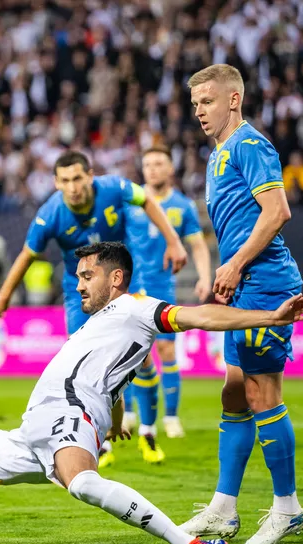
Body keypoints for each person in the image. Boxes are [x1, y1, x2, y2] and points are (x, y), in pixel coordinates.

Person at [0, 242, 303, 544]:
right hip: (34, 430)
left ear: (115, 280)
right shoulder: (103, 325)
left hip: (66, 417)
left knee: (83, 484)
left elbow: (200, 317)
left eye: (87, 275)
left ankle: (187, 543)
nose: (79, 283)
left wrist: (268, 316)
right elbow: (113, 384)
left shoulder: (136, 307)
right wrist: (111, 424)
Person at [180, 64, 303, 544]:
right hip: (243, 283)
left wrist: (232, 267)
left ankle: (286, 508)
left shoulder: (250, 146)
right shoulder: (219, 156)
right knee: (234, 393)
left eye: (207, 102)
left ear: (233, 100)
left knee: (261, 394)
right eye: (195, 105)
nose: (199, 113)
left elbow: (278, 211)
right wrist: (229, 269)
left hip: (265, 284)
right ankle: (223, 508)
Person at [0, 150, 188, 335]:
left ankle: (147, 371)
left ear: (90, 176)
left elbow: (146, 199)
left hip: (123, 278)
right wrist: (4, 296)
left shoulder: (113, 188)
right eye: (65, 180)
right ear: (56, 182)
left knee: (134, 344)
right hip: (81, 286)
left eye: (77, 178)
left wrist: (174, 242)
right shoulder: (49, 215)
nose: (72, 188)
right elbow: (27, 255)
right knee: (79, 349)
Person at [107, 145, 212, 468]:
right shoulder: (130, 203)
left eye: (159, 163)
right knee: (134, 354)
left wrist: (205, 278)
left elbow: (197, 244)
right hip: (130, 289)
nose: (152, 169)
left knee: (166, 352)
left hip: (162, 288)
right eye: (147, 164)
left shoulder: (182, 206)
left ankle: (171, 416)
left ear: (170, 168)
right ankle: (134, 415)